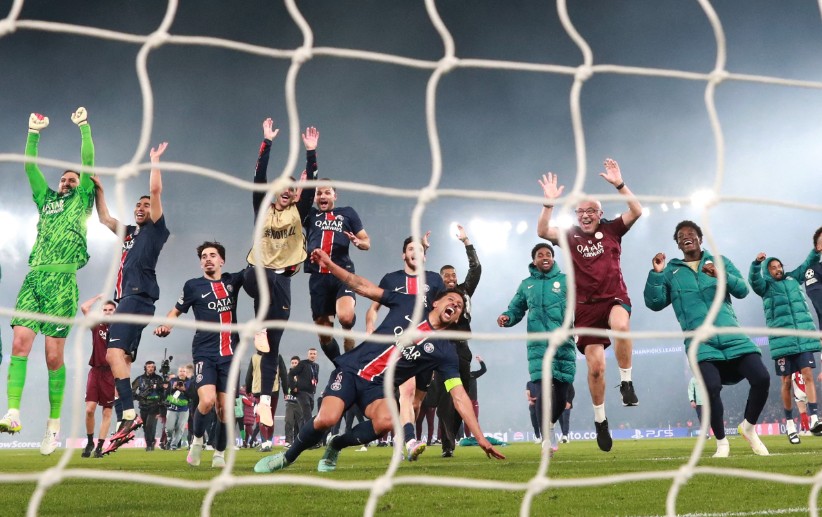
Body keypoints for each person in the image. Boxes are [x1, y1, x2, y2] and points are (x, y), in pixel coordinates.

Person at [253, 248, 505, 473]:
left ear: (458, 317)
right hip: (352, 370)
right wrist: (330, 265)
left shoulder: (445, 352)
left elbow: (459, 395)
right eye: (451, 299)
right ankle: (286, 457)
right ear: (436, 301)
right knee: (327, 419)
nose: (455, 304)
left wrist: (481, 438)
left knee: (387, 420)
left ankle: (336, 445)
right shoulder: (408, 302)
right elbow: (362, 286)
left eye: (459, 305)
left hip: (376, 389)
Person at [0, 108, 96, 456]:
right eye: (64, 179)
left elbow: (88, 159)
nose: (67, 182)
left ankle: (52, 428)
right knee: (19, 345)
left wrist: (83, 128)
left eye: (73, 179)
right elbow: (29, 167)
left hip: (62, 283)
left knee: (53, 357)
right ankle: (12, 412)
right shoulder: (46, 200)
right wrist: (33, 133)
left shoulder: (82, 201)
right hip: (34, 279)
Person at [536, 159, 641, 453]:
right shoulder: (568, 236)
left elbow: (637, 211)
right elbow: (543, 231)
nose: (585, 216)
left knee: (621, 325)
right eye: (580, 212)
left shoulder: (612, 230)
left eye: (590, 211)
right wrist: (548, 204)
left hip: (613, 297)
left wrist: (620, 184)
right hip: (584, 308)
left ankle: (627, 382)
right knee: (595, 369)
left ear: (600, 213)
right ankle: (600, 420)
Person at [643, 220, 770, 457]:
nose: (685, 237)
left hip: (732, 336)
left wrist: (720, 275)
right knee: (710, 388)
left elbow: (742, 290)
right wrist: (656, 274)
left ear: (700, 238)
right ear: (677, 244)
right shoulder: (671, 271)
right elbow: (654, 303)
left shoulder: (720, 261)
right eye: (680, 236)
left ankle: (749, 428)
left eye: (690, 234)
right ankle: (722, 443)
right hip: (700, 343)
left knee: (762, 377)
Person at [94, 142, 170, 455]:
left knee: (112, 355)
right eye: (137, 206)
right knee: (123, 359)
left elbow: (155, 191)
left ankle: (128, 416)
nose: (141, 208)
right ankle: (126, 424)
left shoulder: (155, 230)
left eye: (145, 205)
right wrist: (99, 188)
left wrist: (154, 161)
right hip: (134, 299)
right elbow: (104, 218)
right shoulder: (129, 234)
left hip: (136, 297)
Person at [243, 118, 317, 429]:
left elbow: (310, 184)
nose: (285, 191)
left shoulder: (298, 212)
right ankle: (254, 325)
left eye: (291, 188)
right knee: (266, 278)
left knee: (272, 346)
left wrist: (311, 153)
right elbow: (259, 176)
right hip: (256, 273)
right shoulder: (263, 207)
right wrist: (267, 142)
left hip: (282, 283)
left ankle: (262, 401)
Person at [154, 241, 244, 468]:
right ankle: (197, 440)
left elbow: (258, 270)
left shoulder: (233, 281)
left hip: (230, 354)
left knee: (224, 409)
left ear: (222, 260)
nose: (208, 259)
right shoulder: (193, 286)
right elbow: (175, 311)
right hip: (205, 352)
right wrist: (166, 326)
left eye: (212, 255)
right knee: (207, 400)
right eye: (204, 256)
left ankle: (219, 455)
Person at [365, 233, 446, 459]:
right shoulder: (391, 280)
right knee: (406, 393)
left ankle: (401, 438)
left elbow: (440, 313)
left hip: (427, 347)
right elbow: (373, 309)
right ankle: (409, 441)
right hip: (400, 344)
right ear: (404, 254)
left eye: (419, 250)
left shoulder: (434, 280)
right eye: (411, 249)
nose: (415, 253)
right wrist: (370, 327)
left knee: (417, 402)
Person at [498, 242, 577, 453]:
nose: (545, 257)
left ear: (553, 258)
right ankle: (546, 438)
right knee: (543, 390)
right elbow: (516, 308)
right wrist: (508, 317)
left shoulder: (566, 280)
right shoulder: (526, 285)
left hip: (563, 345)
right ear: (534, 260)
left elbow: (580, 306)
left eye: (548, 254)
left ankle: (549, 426)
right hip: (538, 347)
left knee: (562, 397)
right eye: (540, 254)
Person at [748, 249, 822, 444]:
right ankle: (790, 424)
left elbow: (807, 264)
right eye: (773, 268)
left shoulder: (792, 279)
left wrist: (816, 251)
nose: (778, 269)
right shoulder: (765, 287)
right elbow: (754, 281)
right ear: (767, 271)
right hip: (782, 342)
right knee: (786, 382)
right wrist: (756, 264)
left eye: (779, 266)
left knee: (808, 375)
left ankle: (814, 418)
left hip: (801, 338)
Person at [303, 170, 370, 359]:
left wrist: (358, 242)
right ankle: (341, 365)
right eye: (318, 193)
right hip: (318, 278)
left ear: (335, 195)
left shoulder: (347, 213)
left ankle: (348, 332)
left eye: (327, 192)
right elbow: (296, 203)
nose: (322, 196)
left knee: (346, 317)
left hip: (342, 274)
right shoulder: (310, 216)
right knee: (324, 335)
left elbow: (366, 242)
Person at [436, 224, 482, 457]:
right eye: (447, 276)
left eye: (453, 275)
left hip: (462, 351)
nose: (452, 278)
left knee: (460, 397)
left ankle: (450, 440)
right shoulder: (435, 296)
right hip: (440, 351)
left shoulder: (464, 291)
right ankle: (446, 442)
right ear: (441, 279)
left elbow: (476, 269)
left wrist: (467, 242)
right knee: (444, 399)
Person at [79, 295, 117, 458]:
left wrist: (119, 383)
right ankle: (89, 441)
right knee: (89, 410)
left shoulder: (121, 329)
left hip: (111, 373)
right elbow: (84, 308)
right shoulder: (97, 326)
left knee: (107, 413)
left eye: (111, 310)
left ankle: (100, 447)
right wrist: (96, 298)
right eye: (105, 310)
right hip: (95, 371)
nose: (108, 312)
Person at [132, 361, 165, 451]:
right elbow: (132, 390)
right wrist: (139, 398)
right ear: (145, 367)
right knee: (145, 427)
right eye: (149, 366)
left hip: (155, 405)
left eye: (152, 367)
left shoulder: (159, 379)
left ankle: (149, 445)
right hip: (143, 406)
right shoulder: (139, 379)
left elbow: (163, 392)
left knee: (150, 425)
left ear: (154, 368)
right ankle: (151, 441)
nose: (150, 368)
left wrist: (159, 388)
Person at [291, 348, 320, 429]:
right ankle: (309, 435)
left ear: (316, 355)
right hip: (302, 392)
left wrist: (314, 385)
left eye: (314, 354)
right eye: (311, 354)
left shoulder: (316, 366)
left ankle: (301, 436)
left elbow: (315, 378)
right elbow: (291, 374)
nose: (312, 355)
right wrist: (293, 387)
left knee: (305, 415)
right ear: (308, 355)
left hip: (311, 393)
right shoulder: (302, 364)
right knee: (308, 416)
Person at [164, 366, 191, 450]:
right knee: (169, 428)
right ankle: (169, 440)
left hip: (184, 409)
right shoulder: (172, 381)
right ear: (178, 372)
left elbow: (192, 396)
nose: (182, 372)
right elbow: (166, 394)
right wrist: (172, 388)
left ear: (187, 373)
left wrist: (184, 390)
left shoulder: (190, 382)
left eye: (184, 371)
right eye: (181, 371)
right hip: (172, 408)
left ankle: (174, 445)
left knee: (180, 428)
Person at [461, 356, 487, 439]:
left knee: (475, 419)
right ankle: (468, 437)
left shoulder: (473, 374)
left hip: (474, 401)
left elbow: (484, 370)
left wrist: (481, 361)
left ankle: (477, 437)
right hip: (465, 401)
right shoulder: (460, 377)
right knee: (467, 419)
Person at [283, 356, 303, 446]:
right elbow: (285, 386)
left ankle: (299, 441)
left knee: (300, 423)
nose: (294, 365)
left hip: (300, 402)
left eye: (296, 363)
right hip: (290, 402)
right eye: (293, 363)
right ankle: (288, 441)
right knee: (288, 422)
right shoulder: (288, 375)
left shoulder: (302, 374)